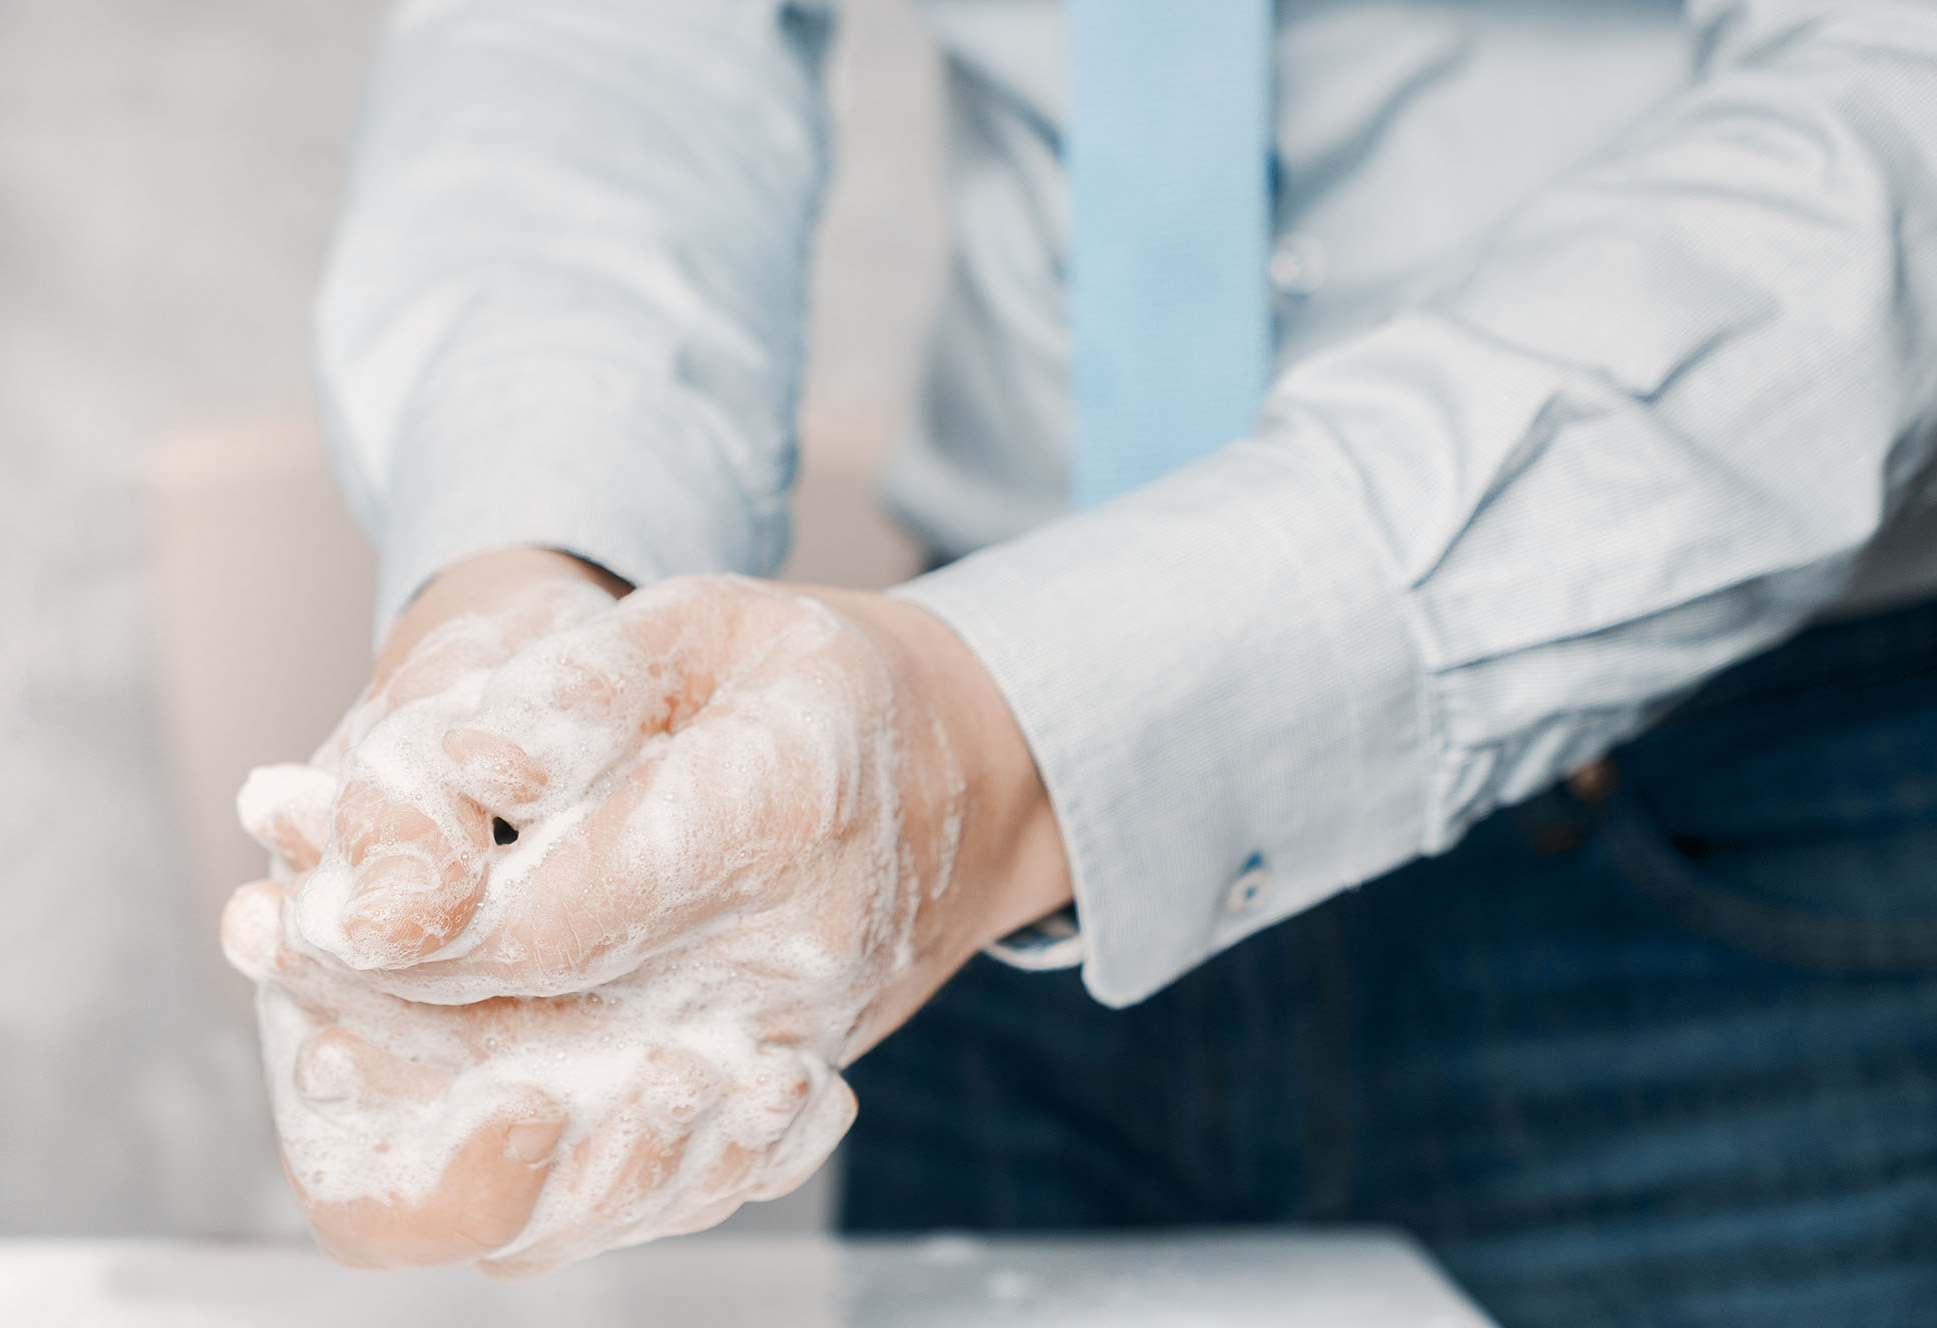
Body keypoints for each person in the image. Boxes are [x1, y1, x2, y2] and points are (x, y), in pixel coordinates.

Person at [221, 0, 1937, 1321]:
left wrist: (1002, 748)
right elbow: (607, 48)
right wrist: (533, 591)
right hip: (947, 889)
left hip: (1739, 844)